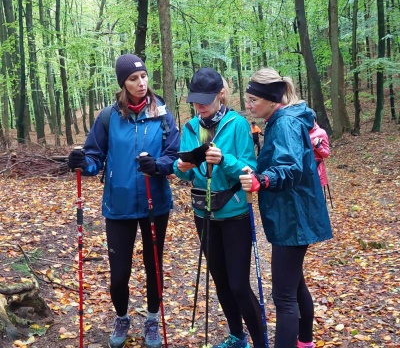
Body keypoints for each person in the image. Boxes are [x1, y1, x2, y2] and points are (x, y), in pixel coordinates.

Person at [67, 54, 180, 348]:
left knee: (154, 266)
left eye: (143, 77)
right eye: (133, 79)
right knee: (119, 274)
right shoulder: (108, 117)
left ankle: (153, 319)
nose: (140, 83)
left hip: (156, 203)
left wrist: (158, 166)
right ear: (123, 83)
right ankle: (122, 317)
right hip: (118, 205)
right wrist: (81, 162)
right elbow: (94, 158)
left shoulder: (163, 114)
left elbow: (174, 155)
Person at [239, 68, 333, 348]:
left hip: (293, 217)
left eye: (254, 99)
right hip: (293, 213)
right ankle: (305, 342)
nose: (249, 104)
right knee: (295, 284)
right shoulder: (282, 119)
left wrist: (262, 180)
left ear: (271, 100)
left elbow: (290, 166)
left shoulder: (285, 124)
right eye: (248, 98)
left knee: (284, 296)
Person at [174, 67, 265, 348]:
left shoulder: (237, 124)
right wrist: (183, 168)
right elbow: (186, 173)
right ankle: (237, 337)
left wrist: (224, 160)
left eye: (205, 99)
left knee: (238, 284)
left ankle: (260, 342)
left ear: (221, 95)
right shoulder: (190, 127)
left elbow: (251, 171)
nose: (199, 105)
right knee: (221, 282)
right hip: (203, 213)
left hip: (234, 212)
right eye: (195, 100)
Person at [308, 112, 330, 188]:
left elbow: (326, 153)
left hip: (317, 169)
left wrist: (318, 146)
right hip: (304, 169)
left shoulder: (321, 133)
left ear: (315, 120)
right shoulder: (302, 132)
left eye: (311, 119)